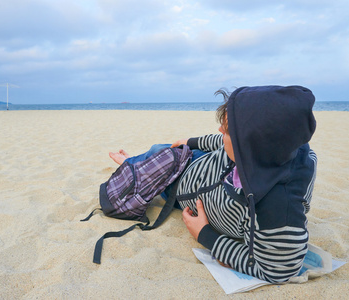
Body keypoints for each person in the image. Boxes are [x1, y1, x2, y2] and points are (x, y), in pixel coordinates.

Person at [109, 85, 317, 283]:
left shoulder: (277, 209)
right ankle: (133, 162)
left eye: (226, 130)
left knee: (156, 157)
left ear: (248, 146)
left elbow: (275, 270)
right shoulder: (278, 145)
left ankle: (132, 165)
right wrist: (191, 141)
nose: (219, 130)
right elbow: (220, 142)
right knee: (158, 150)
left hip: (175, 186)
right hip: (199, 160)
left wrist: (204, 234)